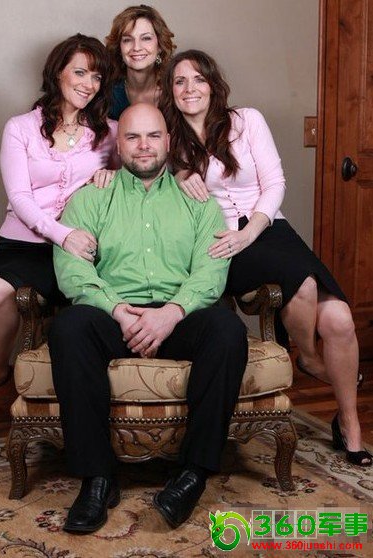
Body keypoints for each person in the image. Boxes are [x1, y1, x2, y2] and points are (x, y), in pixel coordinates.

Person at [159, 49, 372, 467]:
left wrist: (251, 232)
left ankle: (349, 422)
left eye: (198, 79)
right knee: (305, 285)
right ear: (170, 91)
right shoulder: (169, 141)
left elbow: (275, 182)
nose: (190, 88)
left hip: (267, 228)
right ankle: (308, 356)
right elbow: (151, 182)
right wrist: (179, 174)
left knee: (340, 320)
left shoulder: (247, 120)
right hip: (220, 242)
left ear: (213, 85)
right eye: (180, 81)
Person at [48, 103, 248, 533]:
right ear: (118, 146)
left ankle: (192, 473)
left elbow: (211, 270)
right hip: (115, 316)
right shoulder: (92, 198)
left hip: (178, 317)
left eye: (153, 136)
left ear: (168, 142)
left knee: (228, 329)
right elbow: (72, 270)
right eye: (133, 137)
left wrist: (172, 313)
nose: (144, 146)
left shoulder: (198, 201)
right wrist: (117, 310)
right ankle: (98, 478)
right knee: (69, 326)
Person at [0, 34, 118, 468]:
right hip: (21, 243)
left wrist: (113, 177)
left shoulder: (109, 133)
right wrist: (62, 233)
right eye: (80, 72)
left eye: (97, 76)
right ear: (57, 72)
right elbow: (20, 198)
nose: (89, 84)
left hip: (69, 254)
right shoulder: (20, 128)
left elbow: (142, 171)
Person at [105, 4, 175, 120]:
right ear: (119, 48)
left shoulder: (174, 92)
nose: (136, 47)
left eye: (146, 38)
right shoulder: (108, 94)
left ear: (160, 46)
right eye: (127, 40)